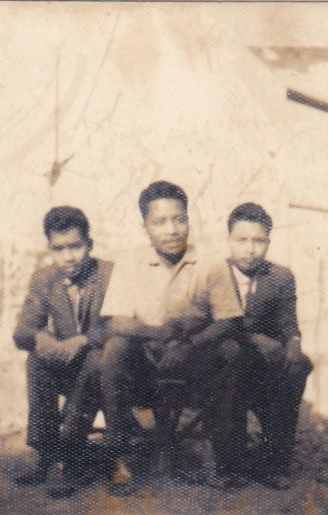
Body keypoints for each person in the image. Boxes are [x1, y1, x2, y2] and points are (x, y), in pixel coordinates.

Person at [98, 181, 246, 495]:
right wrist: (157, 334)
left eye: (179, 219)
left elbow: (229, 320)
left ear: (189, 220)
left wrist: (190, 345)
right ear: (145, 227)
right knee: (114, 349)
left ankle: (219, 455)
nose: (172, 229)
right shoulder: (130, 261)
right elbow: (116, 321)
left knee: (230, 350)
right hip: (145, 362)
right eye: (160, 222)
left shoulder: (210, 262)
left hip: (193, 360)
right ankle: (117, 455)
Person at [208, 202, 313, 489]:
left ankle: (274, 461)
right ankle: (229, 464)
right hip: (222, 355)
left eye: (259, 241)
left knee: (297, 367)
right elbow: (208, 324)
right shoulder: (214, 273)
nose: (251, 249)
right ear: (229, 240)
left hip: (261, 361)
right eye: (241, 240)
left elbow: (289, 323)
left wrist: (294, 344)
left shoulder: (280, 277)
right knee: (232, 358)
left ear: (268, 241)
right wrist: (253, 338)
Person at [13, 206, 112, 498]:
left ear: (89, 245)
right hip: (71, 366)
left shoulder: (109, 274)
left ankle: (71, 457)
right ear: (50, 248)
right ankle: (44, 454)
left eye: (75, 247)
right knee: (36, 359)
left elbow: (121, 325)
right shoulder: (44, 279)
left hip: (108, 367)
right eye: (59, 249)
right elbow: (22, 331)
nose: (68, 257)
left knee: (94, 358)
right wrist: (42, 338)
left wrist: (82, 340)